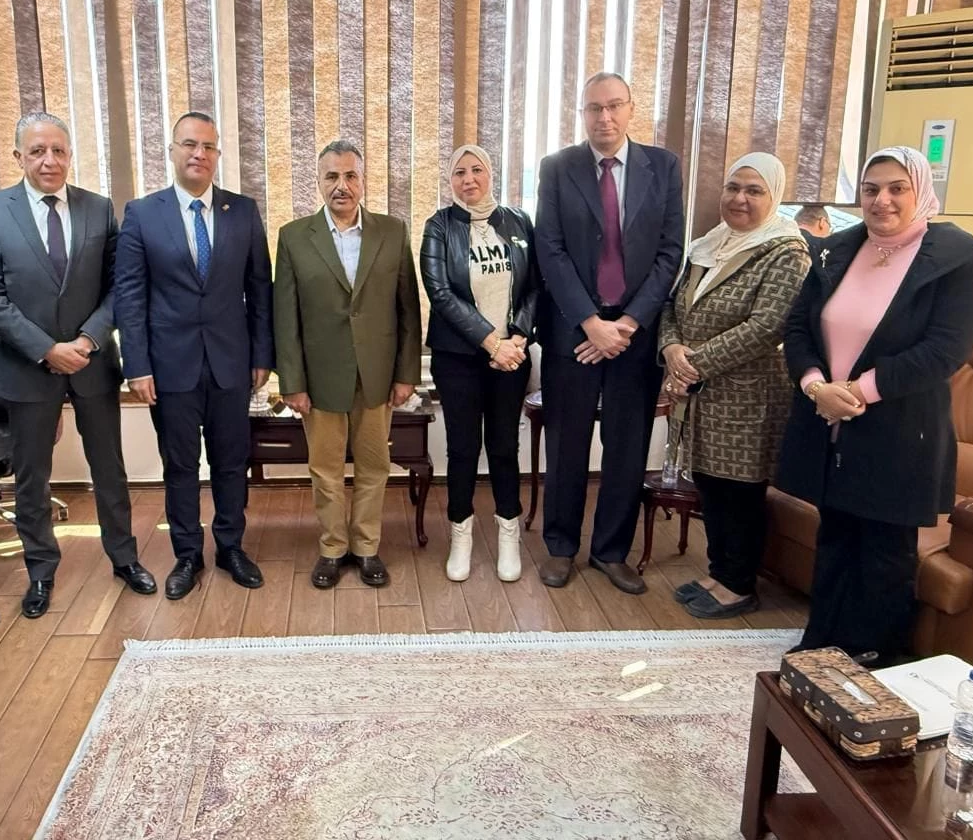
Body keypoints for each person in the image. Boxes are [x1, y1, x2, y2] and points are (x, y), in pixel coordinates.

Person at [779, 145, 973, 665]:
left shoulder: (956, 256)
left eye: (897, 188)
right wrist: (814, 386)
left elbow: (945, 349)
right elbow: (799, 325)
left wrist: (855, 393)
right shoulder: (839, 248)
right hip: (829, 422)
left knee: (885, 554)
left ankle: (879, 663)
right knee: (835, 540)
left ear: (921, 191)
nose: (883, 200)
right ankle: (819, 649)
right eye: (871, 190)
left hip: (900, 429)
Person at [0, 112, 155, 619]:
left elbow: (120, 285)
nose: (49, 160)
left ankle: (124, 558)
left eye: (58, 150)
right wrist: (48, 348)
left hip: (92, 362)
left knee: (109, 469)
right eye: (37, 151)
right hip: (27, 366)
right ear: (18, 157)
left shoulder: (98, 209)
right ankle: (40, 571)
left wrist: (89, 340)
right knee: (33, 477)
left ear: (70, 155)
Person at [534, 71, 685, 593]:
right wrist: (590, 322)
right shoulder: (558, 168)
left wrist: (627, 322)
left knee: (627, 445)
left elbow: (671, 253)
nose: (604, 117)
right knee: (567, 442)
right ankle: (559, 546)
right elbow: (548, 249)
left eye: (614, 106)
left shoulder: (663, 167)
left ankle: (611, 551)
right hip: (573, 331)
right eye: (594, 108)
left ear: (631, 109)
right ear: (583, 113)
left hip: (633, 332)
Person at [114, 112, 273, 601]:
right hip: (169, 366)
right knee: (180, 465)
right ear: (172, 151)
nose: (199, 153)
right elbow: (130, 295)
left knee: (231, 462)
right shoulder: (143, 213)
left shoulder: (242, 211)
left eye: (208, 146)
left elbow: (259, 289)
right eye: (189, 144)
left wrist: (263, 355)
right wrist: (136, 364)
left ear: (218, 154)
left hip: (231, 362)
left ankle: (230, 547)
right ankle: (187, 554)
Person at [658, 152, 810, 619]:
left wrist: (691, 364)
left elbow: (767, 327)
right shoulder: (709, 244)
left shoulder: (786, 251)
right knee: (710, 485)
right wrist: (670, 349)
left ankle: (740, 585)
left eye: (754, 190)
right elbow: (671, 307)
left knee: (740, 491)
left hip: (748, 397)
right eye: (733, 187)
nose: (739, 199)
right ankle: (719, 572)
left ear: (775, 195)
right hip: (702, 396)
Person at [273, 139, 422, 589]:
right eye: (332, 177)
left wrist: (406, 374)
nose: (342, 186)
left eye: (350, 175)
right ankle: (333, 548)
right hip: (319, 380)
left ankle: (367, 548)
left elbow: (408, 311)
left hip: (377, 376)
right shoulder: (294, 236)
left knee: (375, 468)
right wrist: (292, 382)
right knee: (326, 470)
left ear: (363, 180)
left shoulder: (392, 232)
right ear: (318, 182)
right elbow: (287, 316)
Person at [420, 144, 537, 583]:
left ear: (491, 174)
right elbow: (441, 293)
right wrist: (493, 342)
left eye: (477, 170)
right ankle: (461, 534)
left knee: (505, 447)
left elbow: (533, 287)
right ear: (450, 180)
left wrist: (520, 336)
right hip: (459, 358)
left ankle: (509, 533)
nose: (468, 179)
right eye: (459, 173)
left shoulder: (519, 222)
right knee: (464, 448)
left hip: (513, 356)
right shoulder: (439, 226)